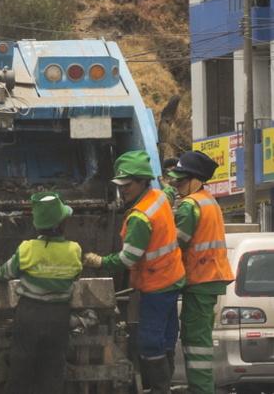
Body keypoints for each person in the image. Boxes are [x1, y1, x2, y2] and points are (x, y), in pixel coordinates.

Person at [83, 150, 186, 394]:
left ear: (142, 181)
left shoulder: (140, 218)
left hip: (156, 285)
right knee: (166, 338)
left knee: (149, 343)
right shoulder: (159, 197)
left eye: (127, 185)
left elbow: (128, 258)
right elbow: (170, 191)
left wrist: (99, 261)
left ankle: (160, 388)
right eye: (120, 185)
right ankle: (165, 385)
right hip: (172, 279)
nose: (123, 190)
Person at [0, 192, 82, 394]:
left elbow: (4, 273)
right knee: (52, 369)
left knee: (21, 367)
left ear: (37, 225)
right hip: (59, 316)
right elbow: (76, 275)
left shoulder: (27, 249)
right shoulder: (74, 250)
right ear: (62, 224)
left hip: (29, 315)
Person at [167, 151, 234, 394]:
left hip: (201, 279)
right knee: (198, 340)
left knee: (196, 343)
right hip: (208, 278)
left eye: (181, 181)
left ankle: (202, 390)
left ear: (196, 180)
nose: (177, 186)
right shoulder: (208, 201)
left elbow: (174, 246)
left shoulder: (190, 206)